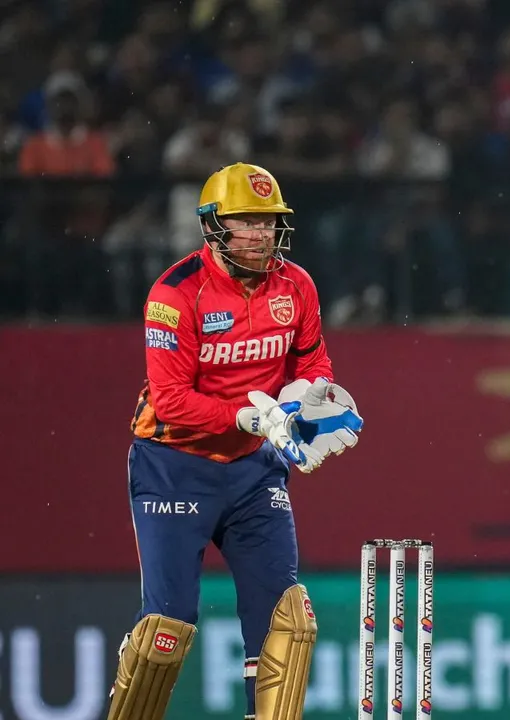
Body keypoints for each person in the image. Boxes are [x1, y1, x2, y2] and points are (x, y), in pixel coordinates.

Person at [107, 162, 364, 720]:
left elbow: (312, 359)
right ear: (212, 226)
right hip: (173, 464)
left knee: (289, 624)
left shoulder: (296, 284)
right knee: (165, 633)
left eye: (269, 223)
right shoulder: (174, 293)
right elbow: (170, 400)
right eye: (245, 222)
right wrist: (250, 420)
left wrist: (313, 399)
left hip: (253, 471)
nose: (260, 234)